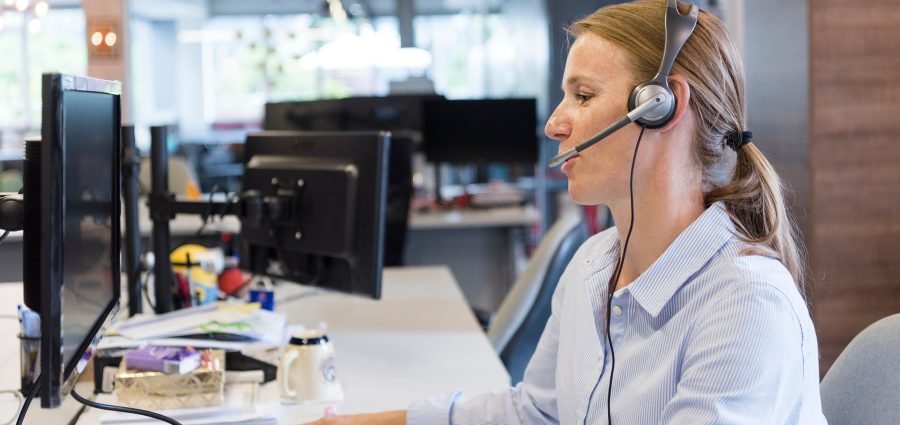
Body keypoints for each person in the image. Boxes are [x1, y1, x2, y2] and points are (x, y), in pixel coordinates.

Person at [305, 1, 827, 423]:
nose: (555, 124)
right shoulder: (594, 264)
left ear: (661, 106)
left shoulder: (744, 305)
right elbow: (537, 410)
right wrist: (374, 421)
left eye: (582, 95)